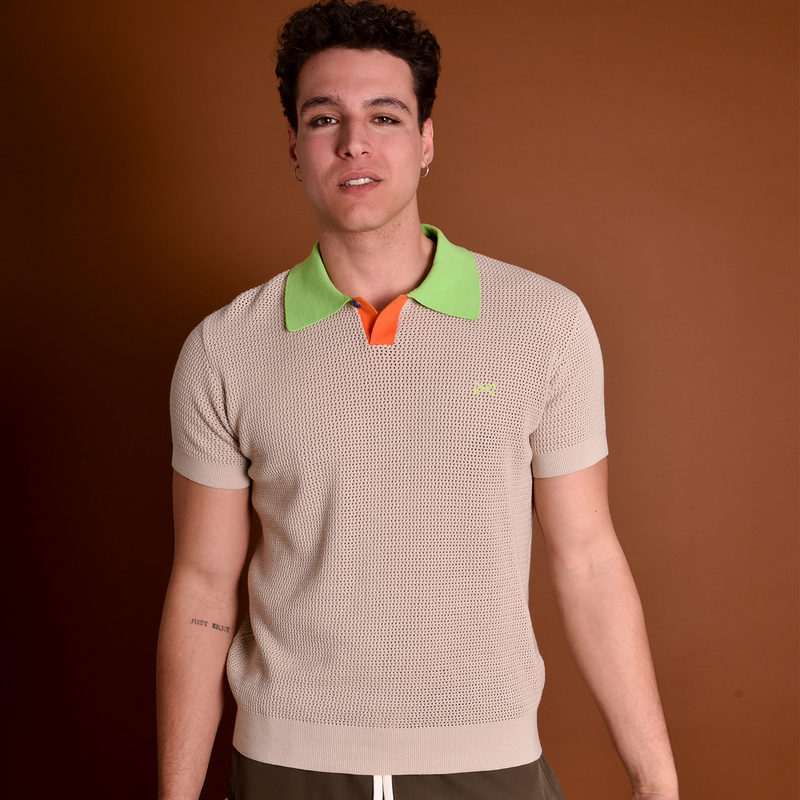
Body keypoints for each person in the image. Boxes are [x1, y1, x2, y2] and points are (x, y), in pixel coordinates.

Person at [157, 1, 679, 799]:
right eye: (324, 118)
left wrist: (657, 778)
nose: (354, 142)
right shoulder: (224, 349)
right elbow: (201, 587)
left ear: (426, 141)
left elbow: (589, 560)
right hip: (288, 767)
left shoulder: (545, 324)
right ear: (295, 147)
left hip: (490, 761)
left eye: (385, 116)